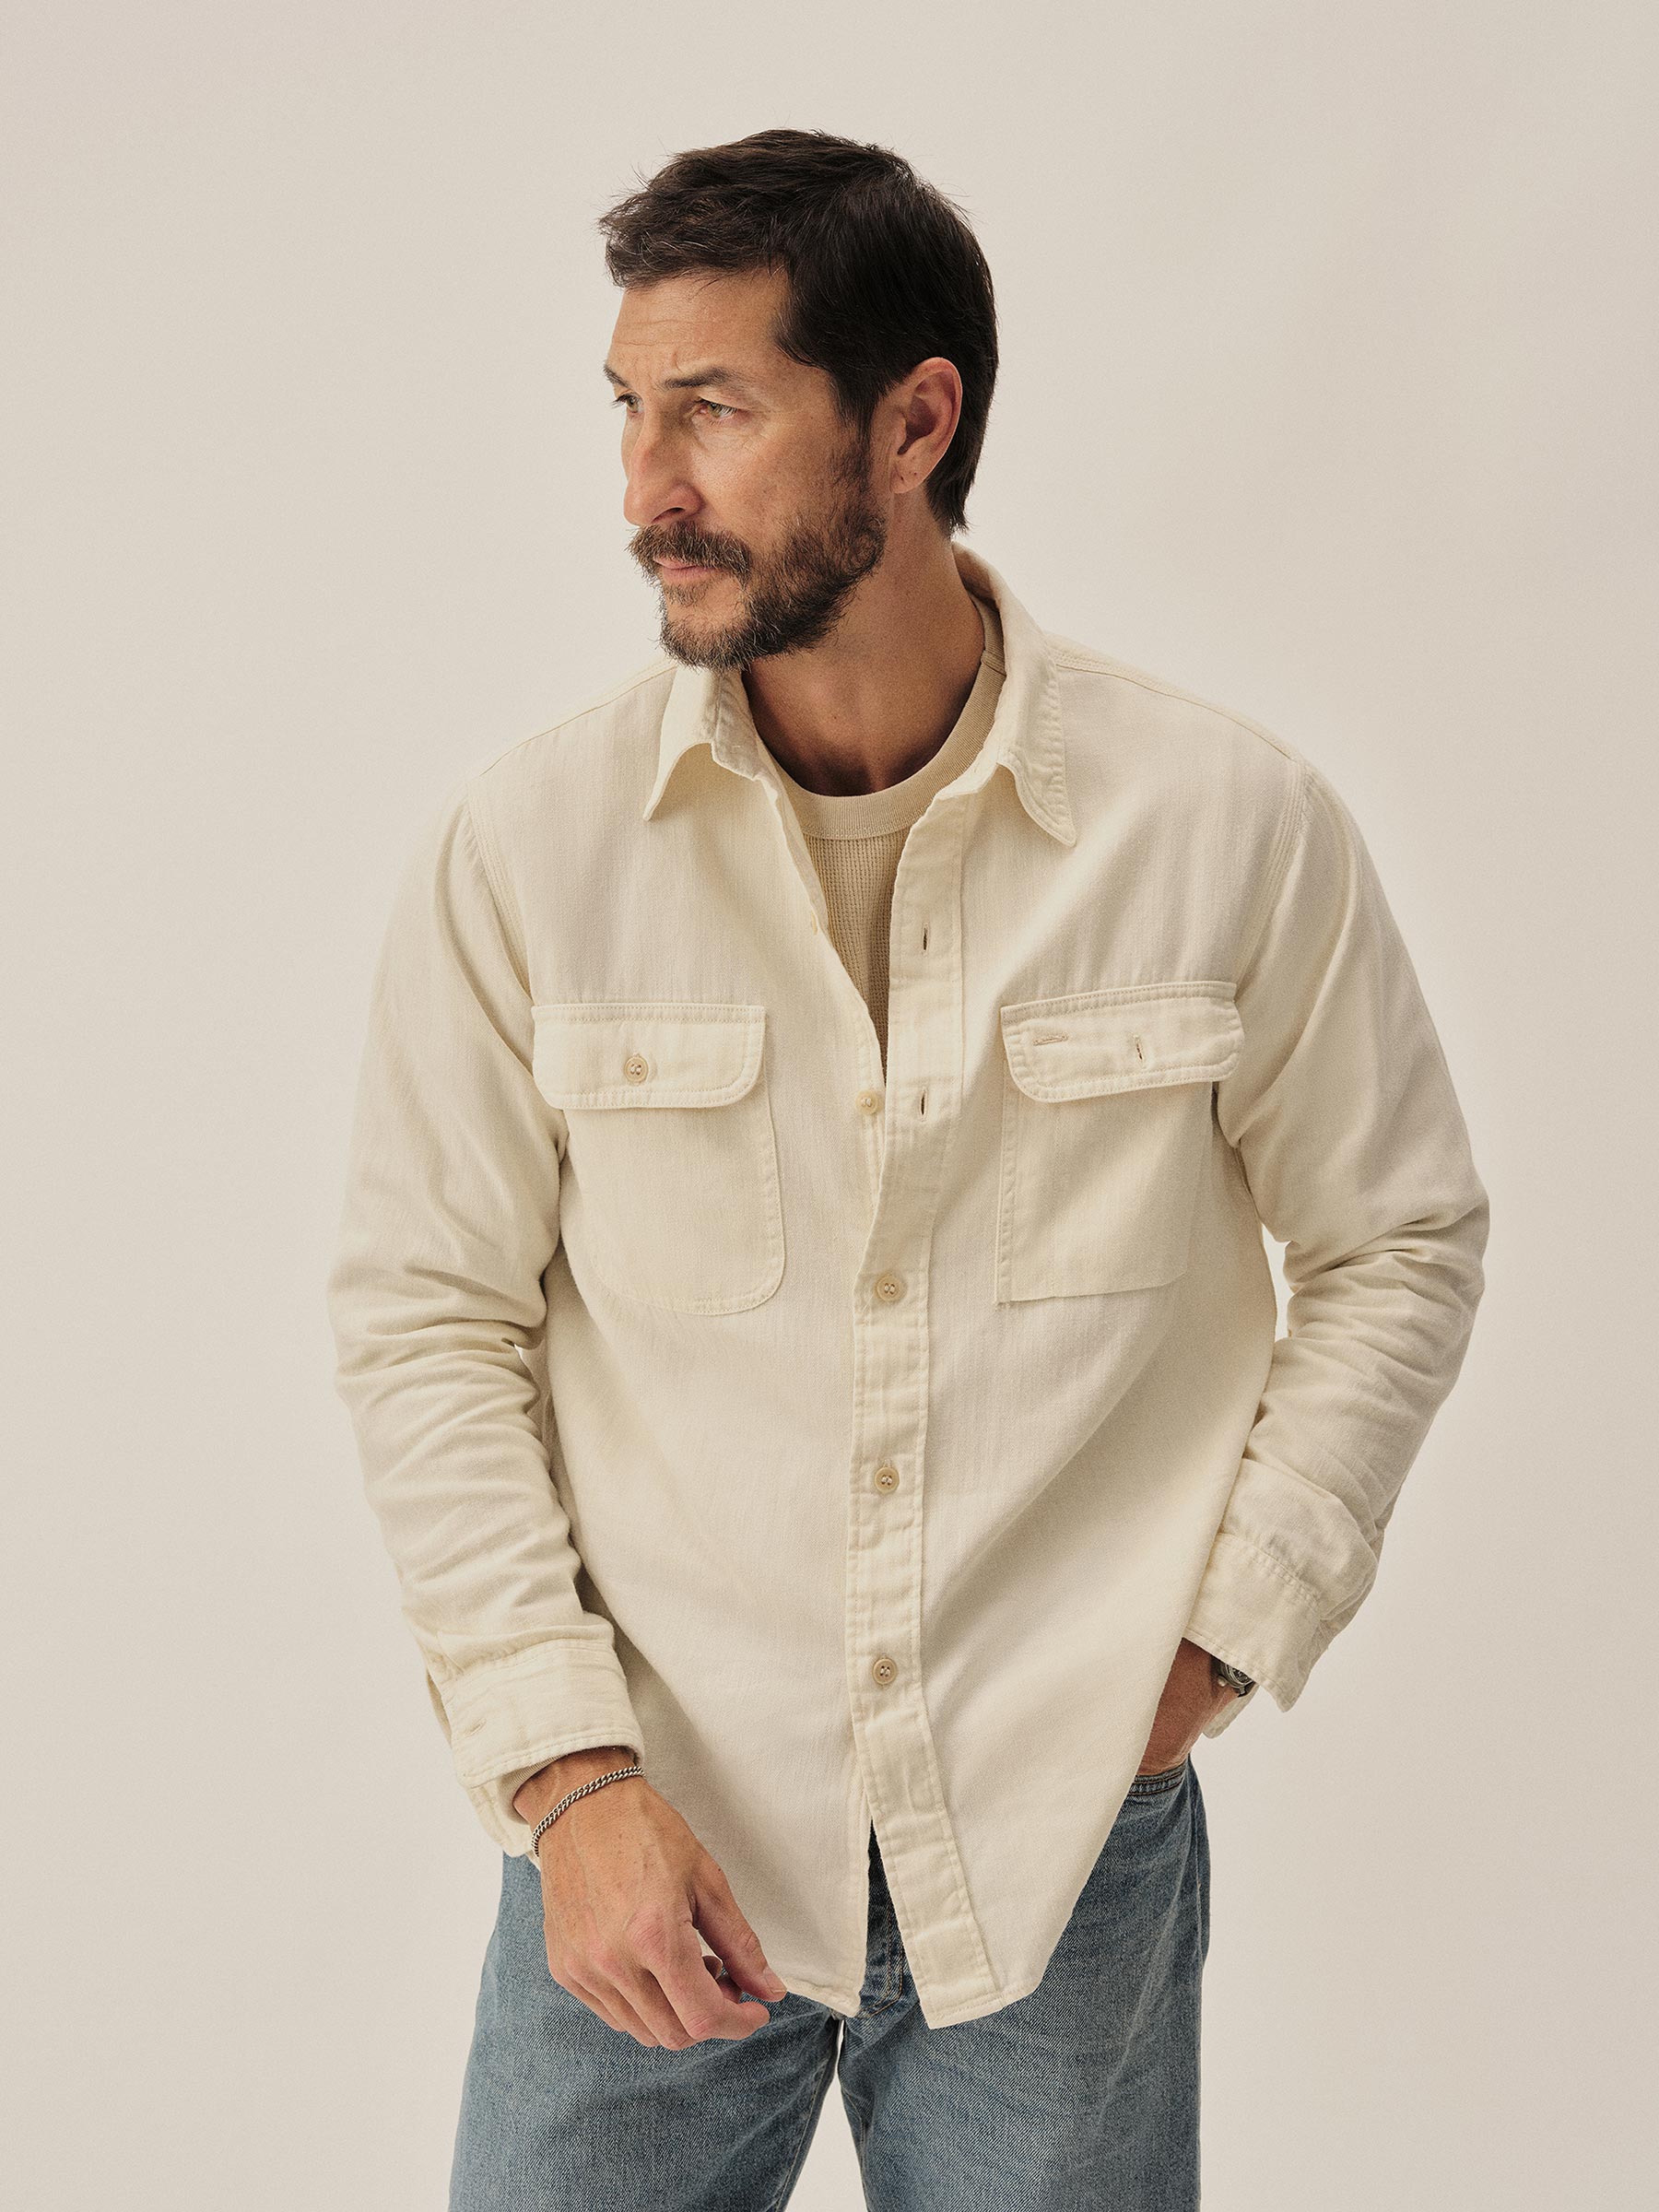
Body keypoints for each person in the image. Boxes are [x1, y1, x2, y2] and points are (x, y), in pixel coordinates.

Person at [325, 126, 1489, 2210]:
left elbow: (1400, 1237)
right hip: (647, 1843)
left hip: (1062, 1849)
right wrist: (565, 1775)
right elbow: (429, 1320)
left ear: (914, 422)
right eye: (628, 409)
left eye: (713, 409)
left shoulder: (1223, 830)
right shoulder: (530, 854)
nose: (644, 489)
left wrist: (1218, 1639)